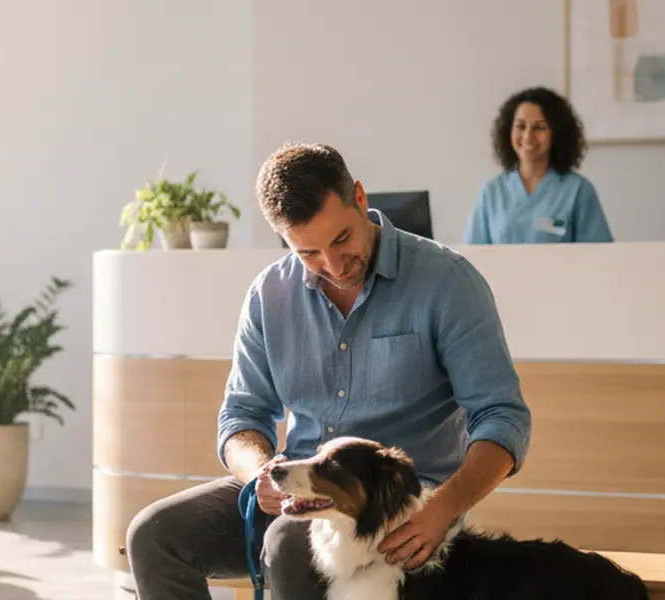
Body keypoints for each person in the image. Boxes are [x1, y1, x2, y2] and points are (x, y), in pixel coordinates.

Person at [126, 142, 533, 600]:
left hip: (399, 511)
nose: (334, 266)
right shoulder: (268, 295)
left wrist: (443, 509)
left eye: (341, 239)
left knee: (287, 544)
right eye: (309, 253)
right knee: (154, 535)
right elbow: (241, 417)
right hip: (299, 490)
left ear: (359, 198)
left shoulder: (447, 282)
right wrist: (260, 473)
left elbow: (502, 417)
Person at [463, 86, 614, 244]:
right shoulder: (492, 192)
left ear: (556, 133)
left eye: (539, 128)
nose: (528, 137)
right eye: (521, 126)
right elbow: (471, 254)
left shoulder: (578, 191)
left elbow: (599, 253)